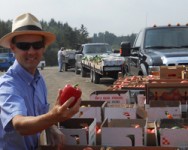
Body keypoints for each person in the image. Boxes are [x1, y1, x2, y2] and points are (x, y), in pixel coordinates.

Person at [0, 13, 81, 150]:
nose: (31, 51)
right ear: (13, 48)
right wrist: (53, 117)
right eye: (24, 45)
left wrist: (52, 127)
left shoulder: (39, 81)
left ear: (43, 48)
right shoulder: (7, 85)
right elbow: (19, 125)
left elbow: (41, 115)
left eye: (37, 45)